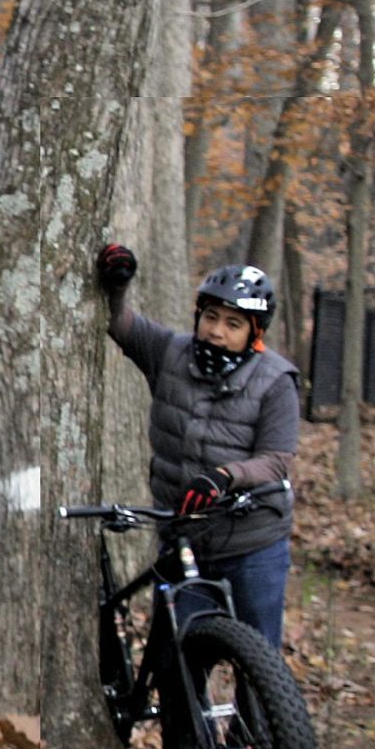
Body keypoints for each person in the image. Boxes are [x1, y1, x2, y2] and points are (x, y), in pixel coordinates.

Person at [96, 246, 298, 647]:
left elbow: (277, 460)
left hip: (252, 542)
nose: (216, 331)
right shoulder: (170, 353)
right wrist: (117, 283)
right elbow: (119, 323)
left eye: (233, 323)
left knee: (261, 665)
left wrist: (225, 477)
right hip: (184, 537)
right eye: (210, 317)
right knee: (175, 659)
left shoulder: (276, 382)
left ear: (254, 332)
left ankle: (259, 713)